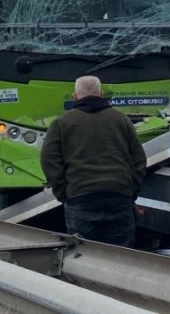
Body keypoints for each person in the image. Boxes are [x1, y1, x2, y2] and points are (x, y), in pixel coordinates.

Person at [40, 75, 146, 248]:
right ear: (101, 94)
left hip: (80, 199)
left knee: (84, 256)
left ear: (74, 96)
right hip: (118, 197)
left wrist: (64, 193)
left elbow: (48, 160)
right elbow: (139, 159)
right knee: (121, 257)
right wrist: (131, 189)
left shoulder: (61, 124)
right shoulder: (122, 120)